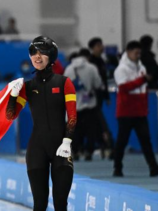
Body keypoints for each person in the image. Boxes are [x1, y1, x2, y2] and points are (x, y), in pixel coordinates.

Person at [5, 36, 77, 211]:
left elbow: (72, 116)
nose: (37, 57)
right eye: (33, 53)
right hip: (36, 148)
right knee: (39, 202)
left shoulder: (64, 83)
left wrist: (67, 141)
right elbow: (11, 115)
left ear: (51, 57)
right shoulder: (27, 86)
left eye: (42, 53)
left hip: (61, 149)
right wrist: (13, 96)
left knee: (60, 202)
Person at [113, 40, 158, 177]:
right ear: (128, 52)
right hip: (126, 111)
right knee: (122, 142)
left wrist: (145, 108)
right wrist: (143, 80)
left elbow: (142, 91)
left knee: (146, 141)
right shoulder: (121, 69)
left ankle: (153, 167)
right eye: (136, 53)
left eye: (139, 53)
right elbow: (124, 88)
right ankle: (117, 167)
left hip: (139, 111)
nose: (138, 55)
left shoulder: (141, 68)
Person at [64, 48, 103, 160]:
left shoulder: (69, 68)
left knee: (75, 130)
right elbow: (98, 83)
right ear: (88, 57)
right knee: (90, 129)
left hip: (73, 104)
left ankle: (75, 151)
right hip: (89, 105)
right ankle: (88, 151)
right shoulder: (91, 68)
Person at [88, 37, 114, 159]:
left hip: (100, 96)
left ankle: (100, 146)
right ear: (92, 48)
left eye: (101, 45)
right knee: (97, 122)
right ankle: (105, 145)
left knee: (96, 122)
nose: (101, 47)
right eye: (98, 45)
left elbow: (104, 81)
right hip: (92, 96)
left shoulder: (102, 61)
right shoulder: (90, 62)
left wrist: (106, 96)